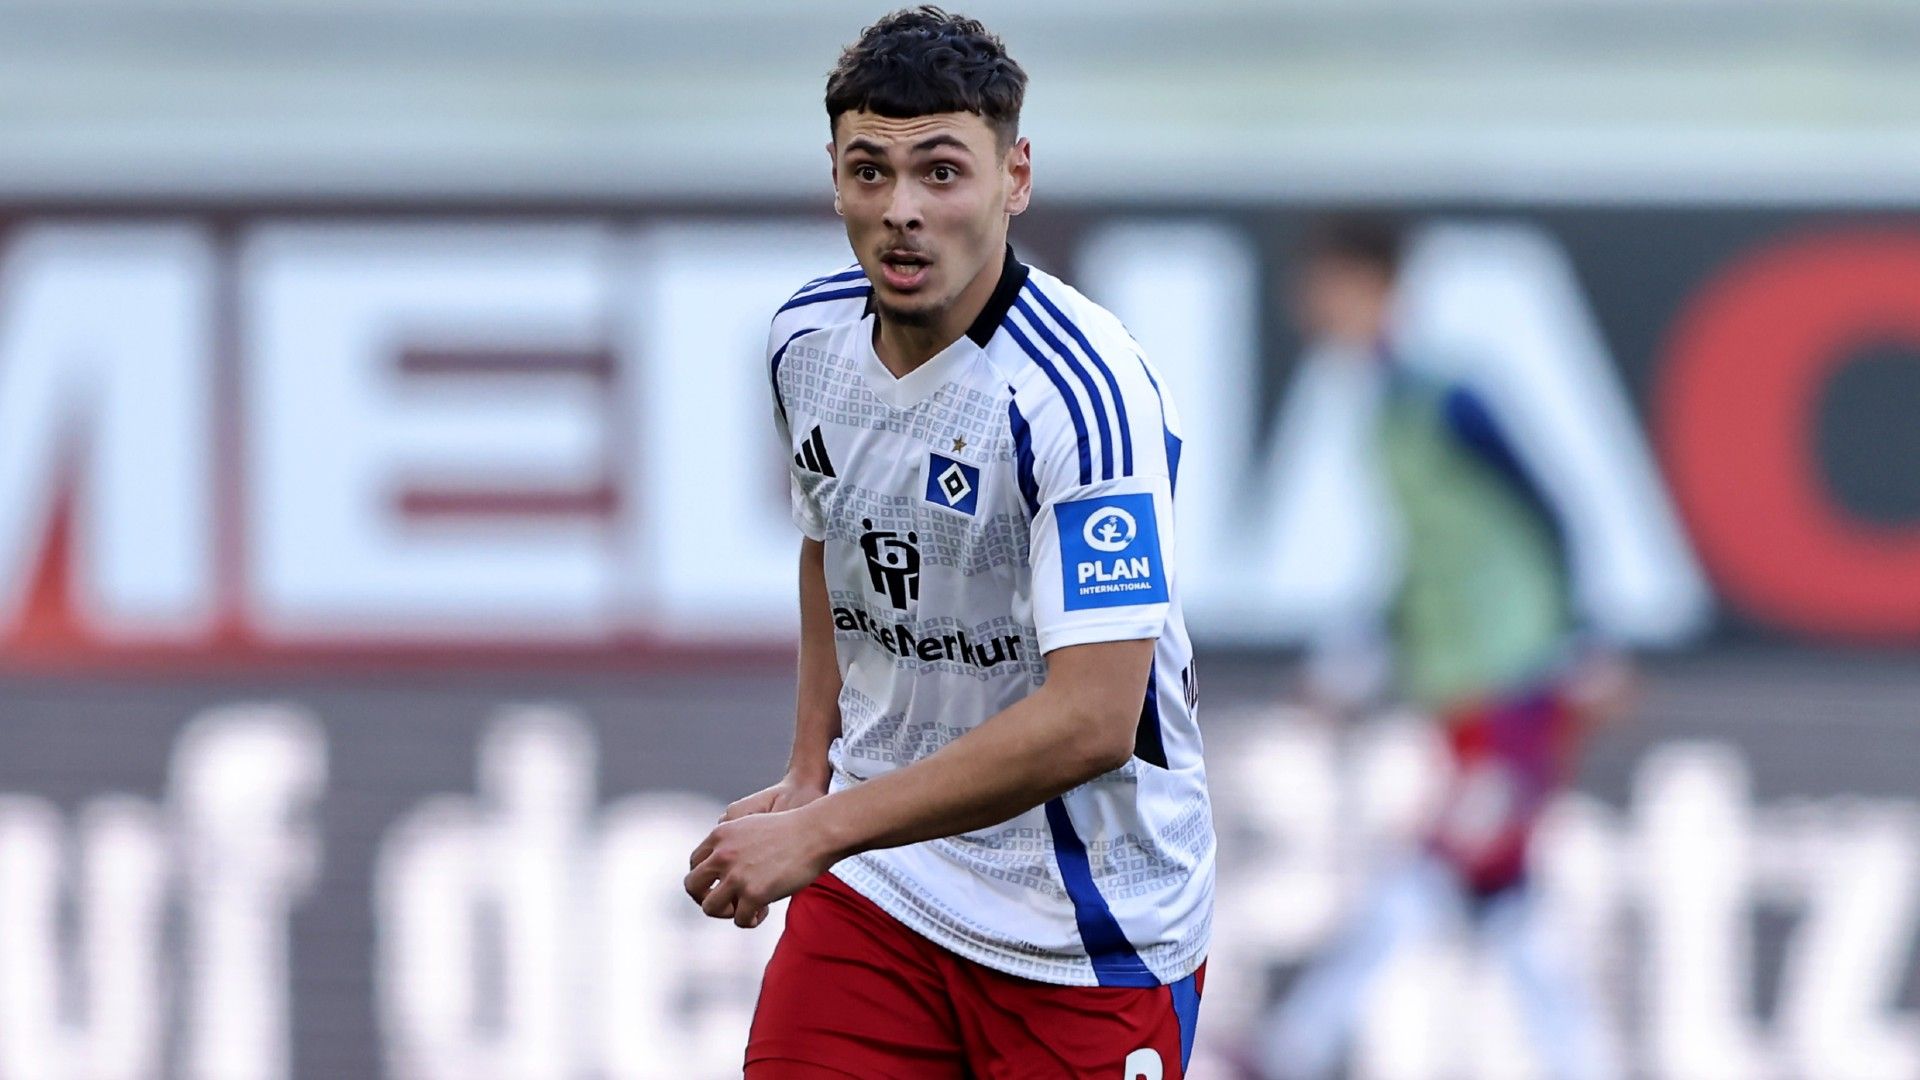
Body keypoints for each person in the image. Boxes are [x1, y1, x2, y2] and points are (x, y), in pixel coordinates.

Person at [682, 8, 1212, 1077]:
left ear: (1015, 177)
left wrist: (822, 831)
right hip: (886, 899)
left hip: (1087, 927)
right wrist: (807, 773)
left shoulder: (1085, 392)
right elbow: (831, 543)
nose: (901, 212)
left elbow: (1093, 722)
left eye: (940, 172)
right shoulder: (805, 345)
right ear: (832, 176)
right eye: (868, 172)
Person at [1250, 215, 1632, 1080]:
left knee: (1436, 863)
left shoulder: (1446, 394)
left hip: (1516, 679)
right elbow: (1428, 557)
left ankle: (1293, 1045)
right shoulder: (1386, 406)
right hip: (1463, 683)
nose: (1311, 303)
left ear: (1373, 284)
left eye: (1327, 283)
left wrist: (1584, 641)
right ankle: (1579, 1061)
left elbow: (1547, 509)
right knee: (1498, 891)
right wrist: (1357, 658)